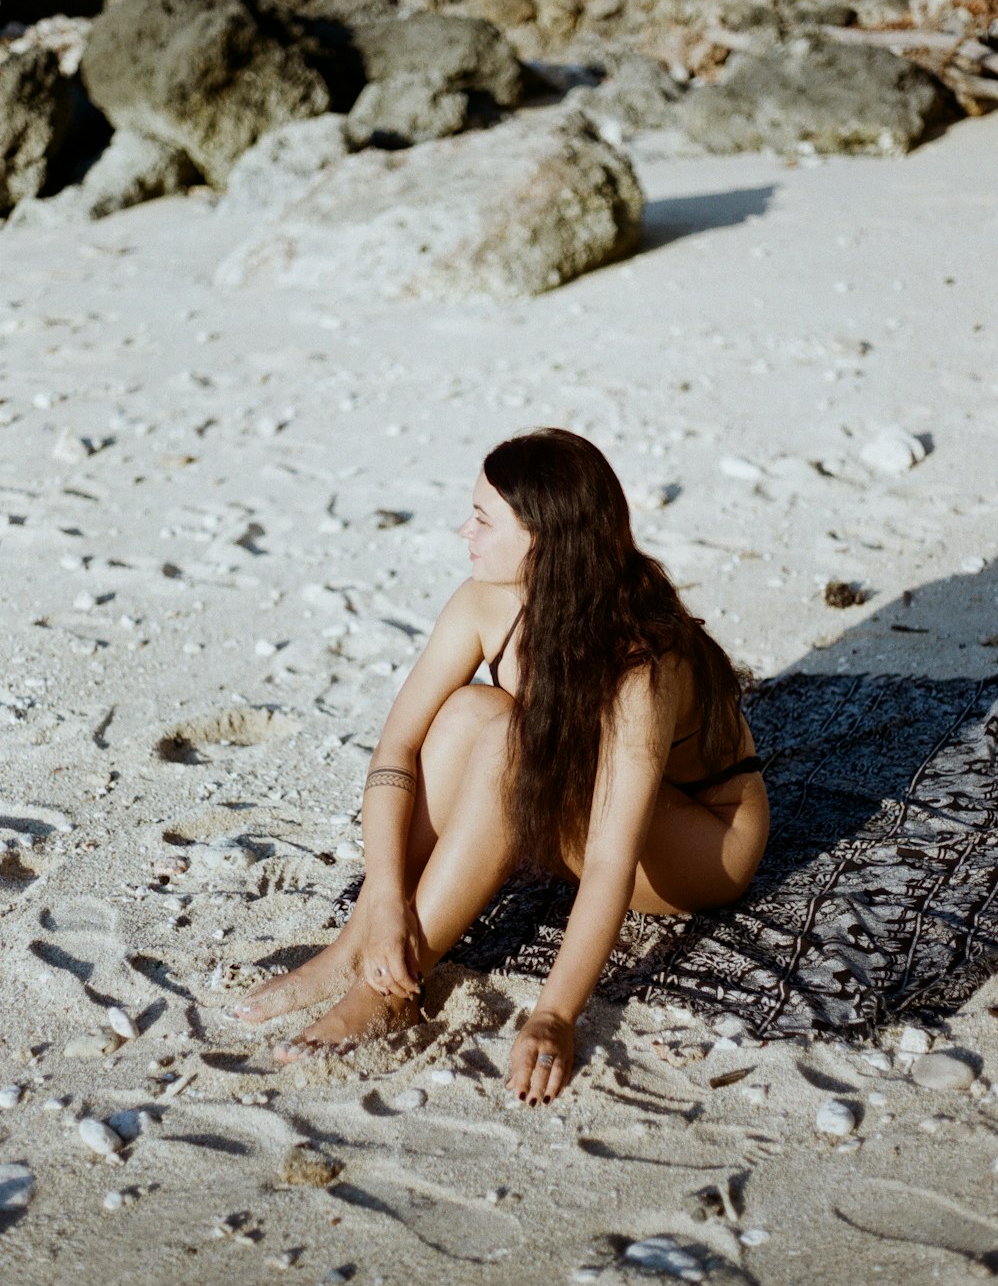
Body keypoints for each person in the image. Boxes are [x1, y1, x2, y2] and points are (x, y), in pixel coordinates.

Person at [234, 428, 769, 1104]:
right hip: (603, 802)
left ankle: (391, 989)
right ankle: (353, 950)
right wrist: (387, 899)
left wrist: (554, 1017)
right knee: (468, 713)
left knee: (514, 748)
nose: (465, 529)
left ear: (543, 538)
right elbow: (395, 750)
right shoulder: (486, 602)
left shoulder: (641, 662)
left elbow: (610, 855)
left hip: (700, 844)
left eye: (483, 518)